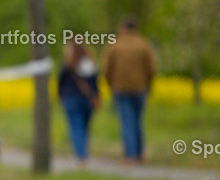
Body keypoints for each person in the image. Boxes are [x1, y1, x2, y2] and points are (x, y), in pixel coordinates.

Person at [101, 17, 156, 164]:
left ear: (123, 28)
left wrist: (111, 85)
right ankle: (140, 154)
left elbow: (106, 69)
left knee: (127, 121)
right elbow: (152, 68)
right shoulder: (144, 44)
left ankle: (130, 155)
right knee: (138, 121)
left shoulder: (114, 44)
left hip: (121, 89)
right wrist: (148, 86)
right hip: (140, 88)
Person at [57, 40, 100, 166]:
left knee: (76, 127)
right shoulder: (89, 65)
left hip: (71, 99)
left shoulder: (67, 66)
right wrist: (96, 97)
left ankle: (81, 155)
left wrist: (61, 98)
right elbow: (95, 83)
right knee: (84, 127)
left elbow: (60, 84)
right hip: (87, 100)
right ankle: (83, 152)